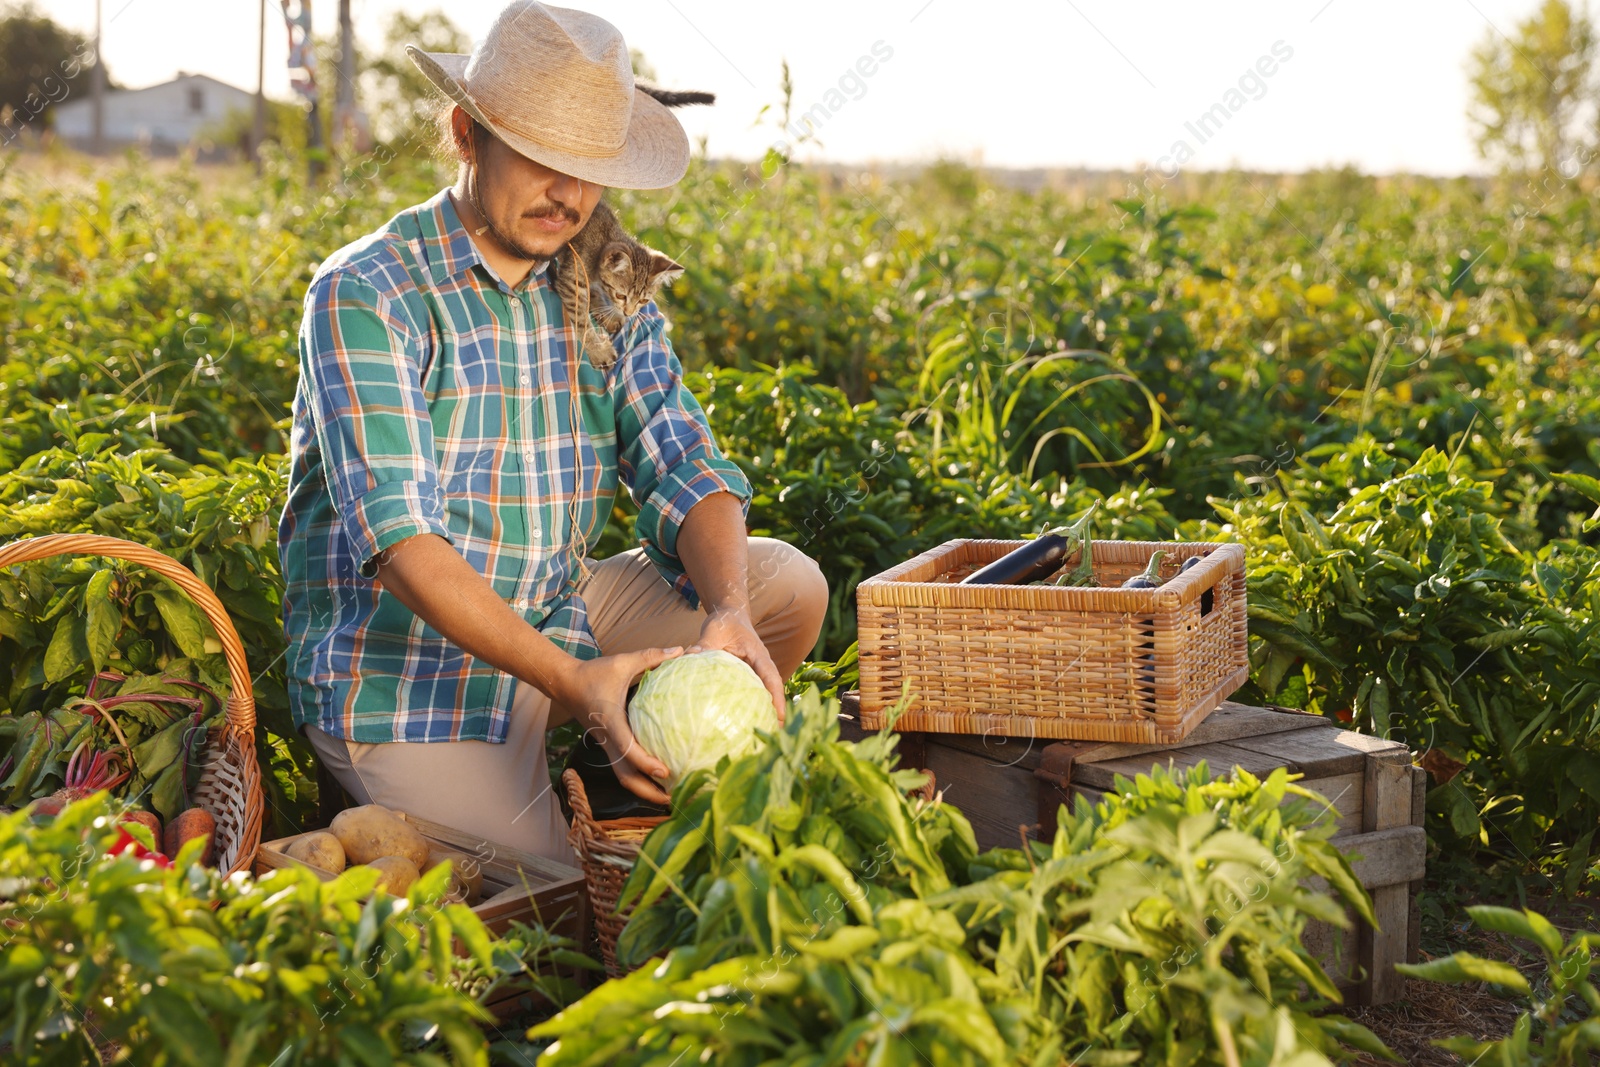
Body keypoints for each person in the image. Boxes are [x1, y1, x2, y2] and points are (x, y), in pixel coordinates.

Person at [277, 0, 828, 864]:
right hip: (407, 683)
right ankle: (562, 783)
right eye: (542, 159)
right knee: (566, 914)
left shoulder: (601, 280)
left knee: (785, 587)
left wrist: (725, 610)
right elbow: (401, 541)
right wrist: (576, 680)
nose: (569, 196)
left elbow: (683, 459)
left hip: (557, 617)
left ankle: (606, 757)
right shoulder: (370, 291)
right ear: (467, 134)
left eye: (589, 167)